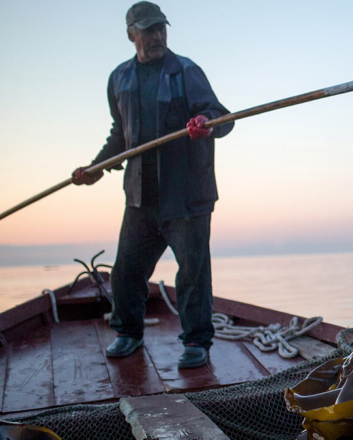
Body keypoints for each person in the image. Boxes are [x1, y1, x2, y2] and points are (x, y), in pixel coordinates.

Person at [72, 1, 233, 368]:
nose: (157, 36)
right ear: (131, 34)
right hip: (140, 197)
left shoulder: (186, 71)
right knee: (126, 270)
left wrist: (205, 122)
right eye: (148, 29)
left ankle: (196, 342)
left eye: (161, 28)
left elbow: (224, 118)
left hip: (187, 197)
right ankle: (128, 332)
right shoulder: (119, 78)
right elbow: (121, 136)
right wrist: (96, 167)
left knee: (193, 273)